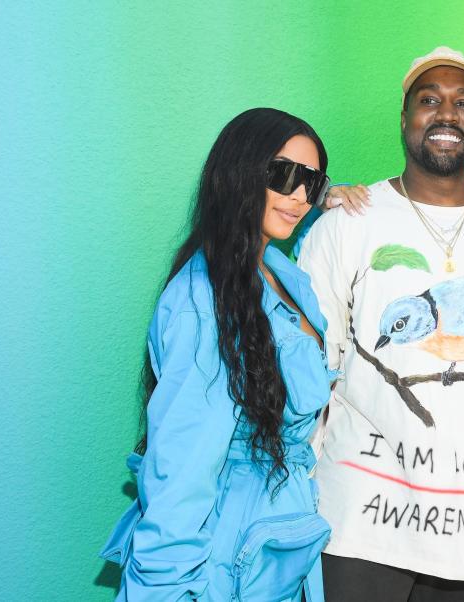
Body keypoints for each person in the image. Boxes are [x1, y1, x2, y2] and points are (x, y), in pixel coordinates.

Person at [297, 47, 464, 602]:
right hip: (357, 530)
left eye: (463, 103)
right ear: (405, 119)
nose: (446, 114)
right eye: (429, 100)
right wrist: (301, 501)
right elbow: (306, 378)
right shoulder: (345, 226)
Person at [99, 108, 337, 601]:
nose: (298, 196)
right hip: (221, 562)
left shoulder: (276, 268)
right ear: (240, 172)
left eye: (311, 183)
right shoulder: (202, 302)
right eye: (284, 174)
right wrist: (163, 588)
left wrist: (339, 197)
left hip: (274, 549)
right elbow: (181, 473)